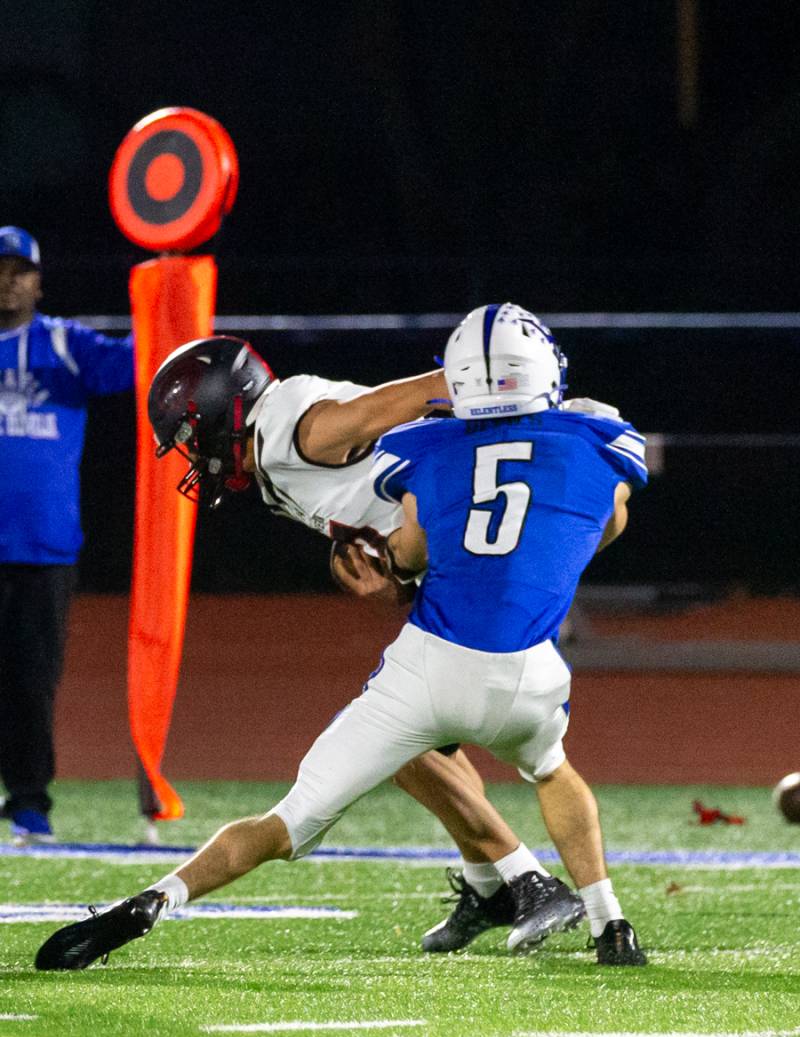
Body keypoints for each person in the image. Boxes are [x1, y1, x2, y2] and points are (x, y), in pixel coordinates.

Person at [35, 302, 647, 971]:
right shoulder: (276, 442)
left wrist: (501, 392)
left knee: (413, 731)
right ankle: (499, 886)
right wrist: (368, 561)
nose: (192, 453)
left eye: (192, 434)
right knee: (422, 743)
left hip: (468, 532)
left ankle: (523, 879)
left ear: (221, 410)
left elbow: (398, 406)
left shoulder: (296, 430)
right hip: (447, 543)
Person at [0, 226, 134, 843]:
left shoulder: (65, 344)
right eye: (0, 269)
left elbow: (138, 362)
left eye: (18, 270)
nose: (8, 281)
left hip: (43, 548)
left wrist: (174, 292)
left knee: (30, 682)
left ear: (38, 280)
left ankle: (29, 806)